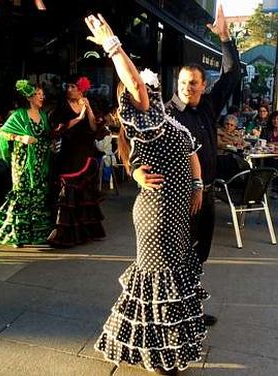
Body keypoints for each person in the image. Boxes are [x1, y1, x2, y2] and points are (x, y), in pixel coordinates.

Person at [85, 14, 207, 375]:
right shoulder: (145, 114)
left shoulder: (168, 121)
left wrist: (197, 186)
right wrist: (113, 46)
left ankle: (171, 343)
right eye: (144, 87)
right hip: (157, 211)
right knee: (157, 276)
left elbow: (191, 152)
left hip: (176, 209)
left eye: (150, 85)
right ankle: (156, 352)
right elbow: (134, 85)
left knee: (173, 272)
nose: (148, 88)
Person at [133, 4, 240, 327]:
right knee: (177, 256)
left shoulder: (208, 105)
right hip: (178, 198)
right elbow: (141, 146)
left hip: (206, 194)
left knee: (199, 255)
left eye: (193, 83)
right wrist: (136, 169)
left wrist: (224, 38)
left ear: (203, 86)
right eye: (182, 82)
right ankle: (173, 313)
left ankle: (190, 306)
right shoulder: (166, 113)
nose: (187, 88)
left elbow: (233, 74)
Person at [47, 75, 106, 247]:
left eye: (73, 86)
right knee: (67, 190)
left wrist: (87, 110)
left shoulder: (90, 104)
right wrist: (78, 117)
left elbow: (95, 128)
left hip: (86, 153)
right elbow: (57, 128)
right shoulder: (62, 107)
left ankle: (85, 232)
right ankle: (63, 232)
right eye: (69, 86)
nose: (70, 89)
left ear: (82, 89)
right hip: (69, 153)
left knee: (84, 193)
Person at [0, 80, 52, 247]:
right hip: (22, 163)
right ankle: (17, 235)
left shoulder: (43, 116)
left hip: (40, 163)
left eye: (42, 94)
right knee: (21, 195)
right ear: (29, 97)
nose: (42, 97)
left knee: (39, 196)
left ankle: (37, 235)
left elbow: (46, 137)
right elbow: (3, 132)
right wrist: (21, 138)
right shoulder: (19, 115)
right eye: (38, 94)